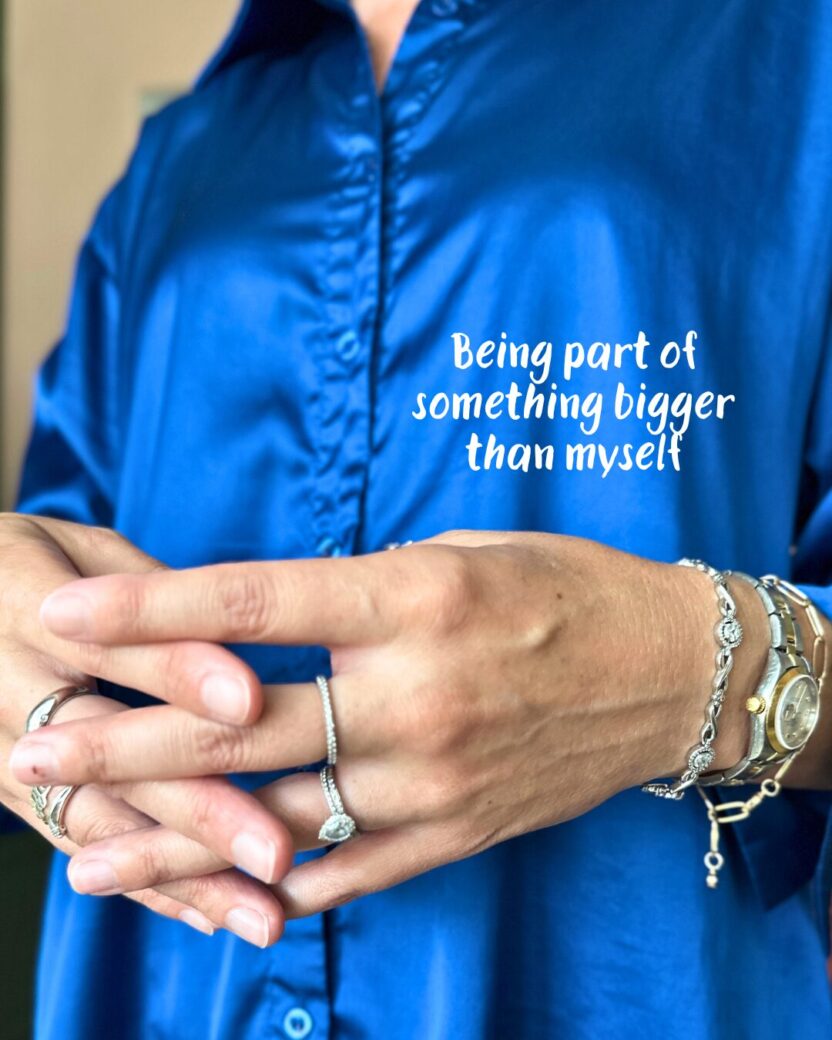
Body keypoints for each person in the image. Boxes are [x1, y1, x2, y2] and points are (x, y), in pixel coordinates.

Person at [2, 1, 832, 1037]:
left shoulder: (793, 48)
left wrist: (676, 668)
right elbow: (55, 538)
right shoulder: (177, 153)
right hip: (169, 984)